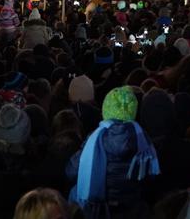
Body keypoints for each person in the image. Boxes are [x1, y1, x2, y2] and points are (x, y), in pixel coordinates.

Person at [68, 86, 160, 219]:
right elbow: (151, 179)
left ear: (106, 110)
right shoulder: (143, 140)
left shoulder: (94, 139)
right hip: (133, 208)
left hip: (96, 211)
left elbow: (71, 171)